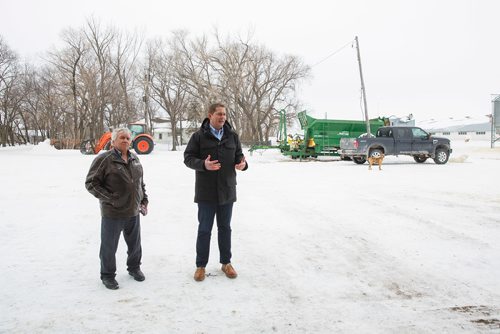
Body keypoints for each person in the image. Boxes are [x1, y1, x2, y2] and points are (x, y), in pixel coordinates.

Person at [184, 103, 248, 282]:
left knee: (225, 228)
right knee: (204, 230)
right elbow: (188, 158)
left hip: (227, 191)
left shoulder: (232, 136)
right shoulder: (198, 137)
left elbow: (239, 157)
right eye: (219, 114)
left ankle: (226, 263)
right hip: (206, 193)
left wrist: (242, 165)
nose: (222, 117)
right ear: (210, 115)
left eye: (224, 114)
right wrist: (203, 165)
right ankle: (200, 266)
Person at [85, 127, 149, 290]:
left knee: (135, 245)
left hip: (133, 211)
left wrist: (144, 199)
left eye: (128, 138)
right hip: (113, 212)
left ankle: (134, 268)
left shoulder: (135, 158)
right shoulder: (104, 159)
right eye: (122, 138)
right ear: (113, 141)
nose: (126, 140)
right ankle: (107, 275)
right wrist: (111, 198)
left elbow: (139, 183)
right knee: (109, 246)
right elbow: (91, 183)